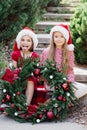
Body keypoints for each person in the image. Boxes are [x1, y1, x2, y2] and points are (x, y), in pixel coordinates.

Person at [40, 24, 87, 99]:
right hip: (51, 83)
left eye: (62, 36)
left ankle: (64, 104)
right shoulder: (46, 52)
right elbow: (43, 70)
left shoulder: (69, 52)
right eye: (56, 36)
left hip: (65, 81)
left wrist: (68, 82)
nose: (59, 39)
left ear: (65, 38)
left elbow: (70, 71)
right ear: (52, 38)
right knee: (62, 90)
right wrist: (52, 81)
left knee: (84, 88)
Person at [11, 27, 39, 106]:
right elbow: (14, 69)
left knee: (30, 81)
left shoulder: (34, 56)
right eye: (23, 40)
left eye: (28, 40)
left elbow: (36, 70)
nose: (25, 42)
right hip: (18, 76)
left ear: (32, 43)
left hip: (30, 76)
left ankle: (26, 105)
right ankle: (15, 104)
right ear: (19, 42)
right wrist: (17, 74)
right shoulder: (16, 54)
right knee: (15, 80)